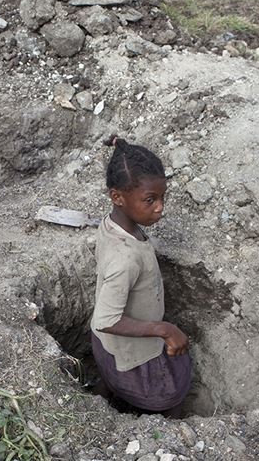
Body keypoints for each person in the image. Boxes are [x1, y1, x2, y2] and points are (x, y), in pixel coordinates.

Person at [89, 135, 193, 416]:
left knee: (114, 376)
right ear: (117, 197)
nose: (160, 207)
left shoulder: (115, 225)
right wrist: (165, 329)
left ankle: (106, 389)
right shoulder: (125, 258)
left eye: (162, 197)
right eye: (150, 200)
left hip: (107, 346)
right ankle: (160, 422)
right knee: (168, 396)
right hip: (131, 354)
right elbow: (107, 319)